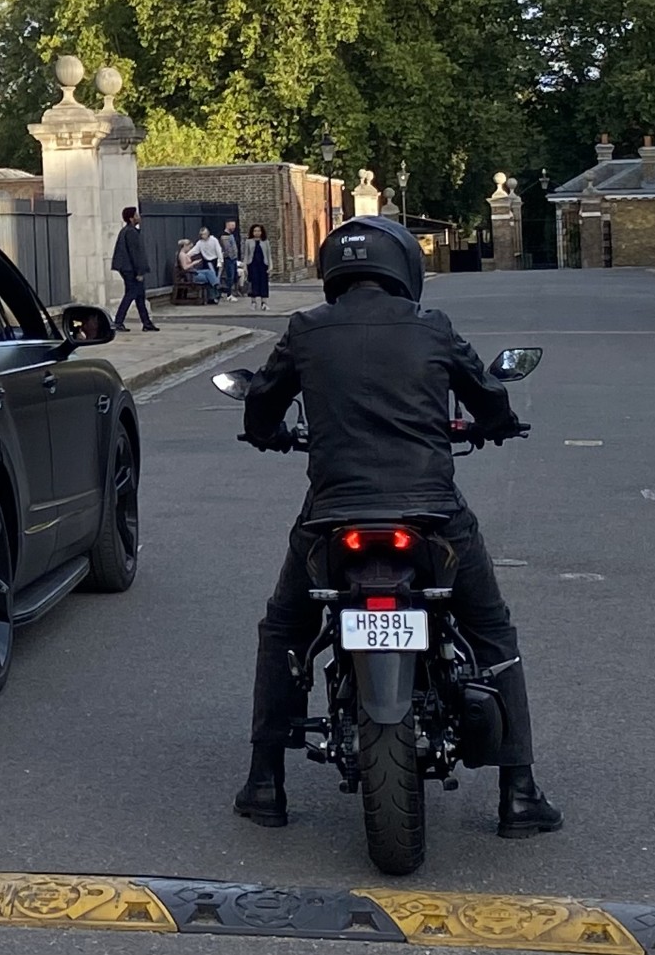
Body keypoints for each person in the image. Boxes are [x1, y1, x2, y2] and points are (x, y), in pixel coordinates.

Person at [232, 216, 560, 839]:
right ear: (403, 267)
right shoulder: (430, 327)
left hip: (333, 514)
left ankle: (265, 782)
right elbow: (488, 395)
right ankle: (519, 792)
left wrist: (268, 434)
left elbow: (262, 403)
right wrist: (494, 422)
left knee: (286, 631)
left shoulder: (305, 329)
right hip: (432, 513)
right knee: (490, 630)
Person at [110, 206, 159, 332]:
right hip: (131, 269)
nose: (139, 217)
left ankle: (146, 323)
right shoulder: (131, 232)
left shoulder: (127, 231)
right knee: (131, 294)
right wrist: (140, 272)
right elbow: (135, 253)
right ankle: (118, 322)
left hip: (127, 268)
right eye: (136, 215)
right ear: (131, 218)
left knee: (140, 296)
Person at [190, 227, 224, 304]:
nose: (203, 236)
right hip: (206, 262)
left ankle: (216, 295)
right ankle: (212, 297)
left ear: (208, 233)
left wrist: (220, 262)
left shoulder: (214, 240)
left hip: (215, 261)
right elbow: (194, 250)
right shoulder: (200, 243)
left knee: (215, 278)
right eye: (202, 234)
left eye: (205, 234)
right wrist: (186, 255)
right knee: (210, 280)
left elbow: (219, 251)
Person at [245, 222, 271, 311]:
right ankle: (253, 302)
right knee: (253, 283)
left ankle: (264, 303)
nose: (257, 233)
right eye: (255, 231)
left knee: (264, 283)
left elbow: (268, 255)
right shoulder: (248, 242)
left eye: (258, 231)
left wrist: (270, 266)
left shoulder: (265, 242)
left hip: (263, 265)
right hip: (252, 265)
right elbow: (246, 255)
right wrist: (245, 266)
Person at [220, 220, 243, 299]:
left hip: (233, 259)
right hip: (229, 259)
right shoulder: (224, 236)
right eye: (232, 225)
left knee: (234, 276)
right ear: (227, 225)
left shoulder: (231, 235)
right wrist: (232, 257)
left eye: (234, 225)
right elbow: (227, 248)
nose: (234, 227)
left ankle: (234, 292)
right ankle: (229, 294)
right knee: (230, 276)